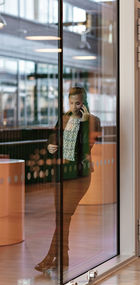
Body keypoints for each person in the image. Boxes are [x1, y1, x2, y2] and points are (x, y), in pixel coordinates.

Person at [35, 86, 101, 272]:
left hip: (80, 176)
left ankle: (50, 257)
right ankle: (63, 258)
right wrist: (51, 146)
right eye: (71, 102)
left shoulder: (93, 121)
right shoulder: (64, 118)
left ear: (84, 102)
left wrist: (84, 122)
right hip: (62, 173)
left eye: (77, 102)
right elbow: (53, 137)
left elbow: (86, 148)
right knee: (61, 218)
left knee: (64, 216)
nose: (73, 106)